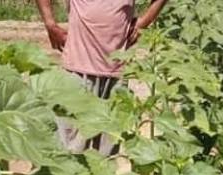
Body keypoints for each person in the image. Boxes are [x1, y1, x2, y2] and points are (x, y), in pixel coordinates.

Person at [38, 0, 170, 153]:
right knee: (70, 153)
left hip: (116, 75)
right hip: (78, 70)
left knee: (106, 156)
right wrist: (50, 23)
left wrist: (144, 22)